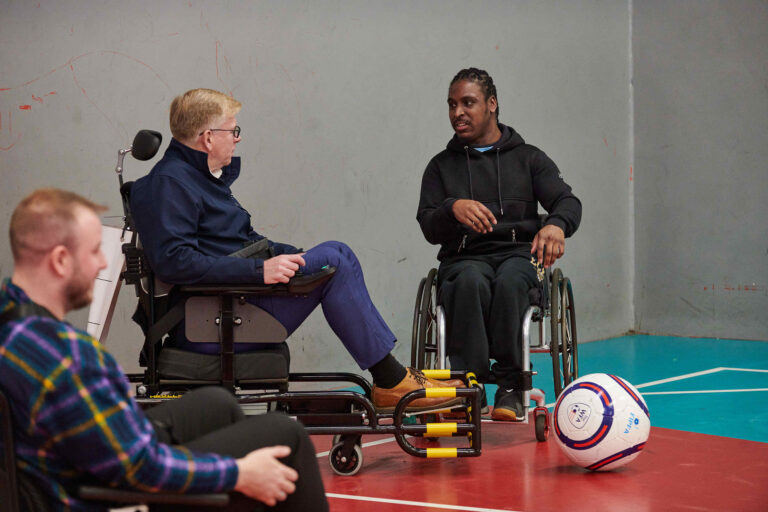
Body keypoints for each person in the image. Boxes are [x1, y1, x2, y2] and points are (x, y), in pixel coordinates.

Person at [130, 88, 462, 413]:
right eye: (233, 131)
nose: (238, 138)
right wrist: (260, 271)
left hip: (229, 305)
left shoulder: (194, 179)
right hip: (212, 321)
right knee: (333, 260)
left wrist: (292, 257)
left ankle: (393, 377)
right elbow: (174, 262)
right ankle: (391, 381)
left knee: (335, 253)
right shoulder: (170, 183)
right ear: (207, 138)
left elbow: (240, 242)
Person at [0, 188, 328, 511]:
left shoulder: (11, 325)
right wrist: (240, 473)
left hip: (68, 462)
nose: (102, 263)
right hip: (101, 490)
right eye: (94, 251)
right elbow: (138, 467)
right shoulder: (67, 356)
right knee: (286, 434)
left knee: (216, 405)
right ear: (60, 260)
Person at [417, 68, 582, 421]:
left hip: (519, 254)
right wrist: (451, 208)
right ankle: (469, 384)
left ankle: (511, 386)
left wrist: (556, 225)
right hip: (464, 257)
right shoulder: (440, 167)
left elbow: (568, 202)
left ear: (491, 104)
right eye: (452, 104)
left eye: (468, 103)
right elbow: (428, 225)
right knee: (468, 281)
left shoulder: (529, 158)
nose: (458, 112)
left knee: (510, 281)